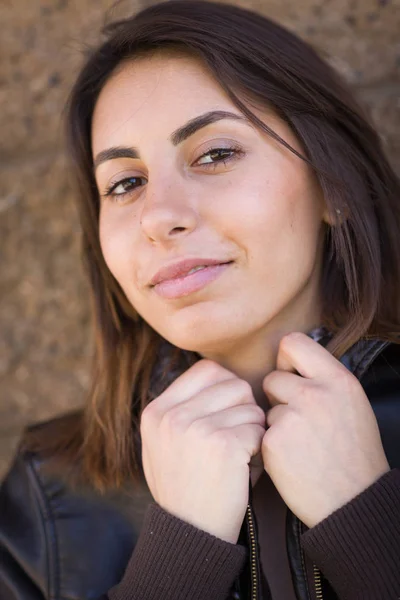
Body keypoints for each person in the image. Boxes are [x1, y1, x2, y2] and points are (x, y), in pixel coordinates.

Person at [1, 1, 400, 598]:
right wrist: (178, 558)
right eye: (125, 183)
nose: (158, 218)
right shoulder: (52, 497)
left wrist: (368, 527)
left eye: (215, 154)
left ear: (333, 184)